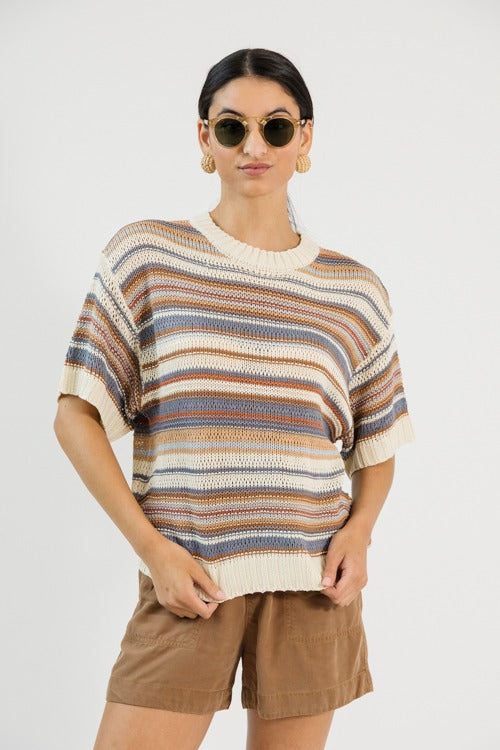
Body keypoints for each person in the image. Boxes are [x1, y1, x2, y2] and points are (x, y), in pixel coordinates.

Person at [54, 47, 416, 750]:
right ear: (205, 138)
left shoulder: (354, 290)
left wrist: (360, 532)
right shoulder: (147, 257)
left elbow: (376, 440)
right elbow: (76, 416)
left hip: (315, 584)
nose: (254, 147)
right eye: (232, 127)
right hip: (188, 576)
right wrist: (153, 550)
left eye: (276, 128)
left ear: (304, 139)